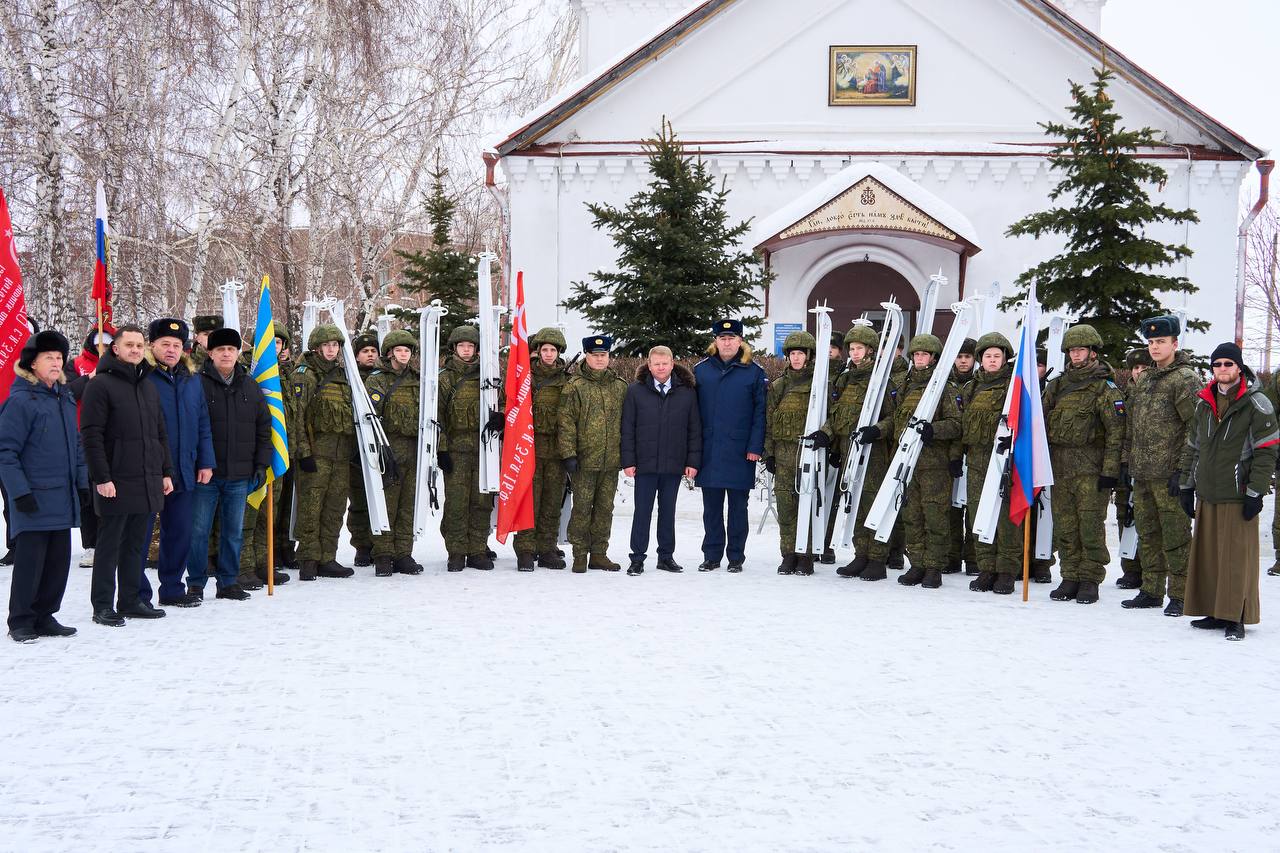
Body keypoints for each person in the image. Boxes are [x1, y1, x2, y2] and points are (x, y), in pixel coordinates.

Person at [1179, 342, 1278, 641]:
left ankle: (1236, 616)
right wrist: (1186, 485)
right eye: (1217, 364)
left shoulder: (1256, 404)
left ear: (1238, 367)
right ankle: (1214, 610)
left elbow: (1266, 452)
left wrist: (1256, 492)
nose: (1222, 369)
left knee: (1236, 559)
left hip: (1238, 493)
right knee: (1209, 557)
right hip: (1208, 492)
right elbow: (1193, 447)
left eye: (1228, 364)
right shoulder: (1203, 403)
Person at [80, 325, 174, 626]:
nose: (135, 350)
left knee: (136, 544)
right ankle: (103, 605)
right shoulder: (100, 385)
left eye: (138, 345)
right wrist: (101, 478)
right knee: (109, 546)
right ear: (114, 349)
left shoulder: (147, 384)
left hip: (146, 477)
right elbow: (91, 436)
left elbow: (160, 432)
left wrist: (165, 471)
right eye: (128, 345)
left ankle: (131, 600)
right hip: (115, 480)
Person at [1, 331, 88, 642]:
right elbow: (5, 451)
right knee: (30, 563)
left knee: (57, 562)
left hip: (62, 496)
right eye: (48, 357)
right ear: (32, 363)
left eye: (59, 357)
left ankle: (45, 615)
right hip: (33, 498)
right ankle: (21, 620)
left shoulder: (63, 398)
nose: (56, 362)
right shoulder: (20, 401)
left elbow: (76, 445)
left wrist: (82, 484)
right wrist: (19, 493)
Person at [857, 334, 960, 588]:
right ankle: (917, 564)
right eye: (916, 355)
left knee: (934, 515)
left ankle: (934, 567)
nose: (920, 358)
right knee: (912, 517)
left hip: (934, 465)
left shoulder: (944, 387)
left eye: (924, 355)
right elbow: (894, 419)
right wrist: (877, 430)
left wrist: (934, 430)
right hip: (905, 462)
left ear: (933, 357)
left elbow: (958, 424)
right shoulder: (904, 384)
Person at [1122, 315, 1201, 616]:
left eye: (1161, 342)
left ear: (1174, 344)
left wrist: (1183, 472)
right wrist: (1126, 462)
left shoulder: (1185, 380)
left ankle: (1181, 594)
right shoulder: (1146, 381)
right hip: (1142, 473)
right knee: (1148, 533)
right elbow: (1134, 426)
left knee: (1177, 537)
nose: (1155, 347)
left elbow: (1195, 430)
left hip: (1169, 474)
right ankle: (1151, 589)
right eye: (1151, 342)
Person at [1041, 324, 1125, 605]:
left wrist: (1110, 472)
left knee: (1089, 525)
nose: (1076, 355)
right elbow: (1039, 423)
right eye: (1072, 350)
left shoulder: (1105, 387)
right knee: (1065, 526)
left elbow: (1116, 432)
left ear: (1092, 352)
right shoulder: (1058, 385)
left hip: (1091, 470)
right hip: (1060, 468)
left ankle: (1090, 578)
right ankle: (1070, 575)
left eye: (1081, 350)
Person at [187, 327, 271, 600]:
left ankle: (227, 582)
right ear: (209, 353)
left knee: (233, 532)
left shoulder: (250, 386)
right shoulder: (196, 383)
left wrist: (261, 464)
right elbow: (190, 429)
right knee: (198, 532)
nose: (226, 354)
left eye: (231, 349)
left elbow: (263, 428)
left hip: (239, 474)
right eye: (220, 349)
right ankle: (196, 582)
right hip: (206, 474)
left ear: (237, 353)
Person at [809, 323, 896, 580]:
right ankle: (861, 555)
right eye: (852, 349)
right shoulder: (846, 379)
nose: (855, 353)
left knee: (870, 501)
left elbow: (894, 417)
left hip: (873, 452)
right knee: (853, 503)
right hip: (849, 450)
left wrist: (876, 430)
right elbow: (836, 415)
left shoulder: (881, 380)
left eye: (860, 349)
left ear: (870, 350)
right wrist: (826, 434)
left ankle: (877, 559)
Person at [140, 319, 214, 608]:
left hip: (185, 468)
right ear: (152, 345)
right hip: (149, 470)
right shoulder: (142, 377)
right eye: (165, 344)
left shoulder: (191, 379)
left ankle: (172, 588)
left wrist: (205, 462)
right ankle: (137, 593)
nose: (171, 350)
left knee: (180, 531)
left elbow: (203, 423)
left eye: (176, 345)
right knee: (142, 535)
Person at [692, 319, 766, 573]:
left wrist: (755, 446)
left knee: (738, 508)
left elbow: (760, 413)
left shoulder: (754, 372)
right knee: (711, 508)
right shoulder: (701, 371)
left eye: (732, 338)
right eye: (722, 338)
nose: (726, 342)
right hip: (709, 450)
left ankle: (736, 556)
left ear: (740, 341)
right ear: (715, 341)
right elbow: (691, 414)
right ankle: (711, 555)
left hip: (740, 451)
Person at [621, 345, 702, 575]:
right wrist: (628, 460)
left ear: (672, 364)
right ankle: (637, 558)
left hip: (673, 463)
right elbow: (628, 428)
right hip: (644, 465)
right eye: (656, 364)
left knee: (668, 511)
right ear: (649, 365)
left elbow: (694, 429)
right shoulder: (635, 391)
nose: (661, 367)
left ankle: (666, 556)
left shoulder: (686, 392)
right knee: (642, 511)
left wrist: (692, 461)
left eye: (664, 363)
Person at [287, 324, 357, 581]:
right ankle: (308, 559)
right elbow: (297, 417)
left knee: (334, 508)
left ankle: (328, 557)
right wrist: (303, 453)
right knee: (311, 508)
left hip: (341, 455)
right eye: (327, 345)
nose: (331, 349)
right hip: (315, 454)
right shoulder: (304, 375)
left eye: (335, 345)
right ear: (316, 347)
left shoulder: (343, 375)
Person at [956, 333, 1021, 594]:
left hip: (1005, 460)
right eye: (987, 356)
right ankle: (986, 567)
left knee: (1005, 516)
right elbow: (961, 424)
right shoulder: (970, 388)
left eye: (997, 356)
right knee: (978, 514)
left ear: (1005, 358)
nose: (992, 360)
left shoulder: (1014, 388)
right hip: (976, 459)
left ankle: (1006, 571)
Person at [558, 335, 627, 573]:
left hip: (611, 461)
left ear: (609, 357)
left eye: (603, 355)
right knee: (582, 508)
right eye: (595, 355)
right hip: (584, 461)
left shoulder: (619, 386)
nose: (599, 359)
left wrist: (627, 455)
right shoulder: (575, 386)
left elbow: (627, 424)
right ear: (586, 356)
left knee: (604, 509)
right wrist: (569, 454)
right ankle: (579, 554)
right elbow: (565, 422)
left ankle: (599, 553)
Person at [437, 325, 503, 571]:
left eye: (471, 346)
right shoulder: (445, 377)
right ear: (454, 348)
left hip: (485, 449)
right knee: (456, 502)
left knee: (482, 501)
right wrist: (441, 449)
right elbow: (437, 416)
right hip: (456, 449)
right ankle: (456, 551)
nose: (466, 350)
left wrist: (502, 416)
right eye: (462, 346)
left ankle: (477, 550)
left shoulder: (489, 376)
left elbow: (505, 401)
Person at [766, 330, 826, 576]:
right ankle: (788, 554)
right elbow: (768, 421)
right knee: (786, 504)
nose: (797, 358)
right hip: (783, 455)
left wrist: (825, 435)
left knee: (807, 504)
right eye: (793, 353)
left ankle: (806, 555)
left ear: (809, 356)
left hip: (808, 454)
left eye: (801, 353)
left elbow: (827, 417)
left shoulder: (819, 385)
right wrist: (768, 453)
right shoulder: (778, 386)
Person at [365, 330, 424, 577]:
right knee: (386, 504)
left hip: (413, 449)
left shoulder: (419, 379)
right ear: (390, 353)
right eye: (399, 350)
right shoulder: (377, 380)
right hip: (387, 450)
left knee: (408, 505)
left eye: (407, 351)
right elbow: (369, 414)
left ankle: (403, 553)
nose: (403, 354)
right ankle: (383, 555)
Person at [239, 321, 293, 586]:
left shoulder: (283, 375)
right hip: (251, 453)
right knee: (248, 515)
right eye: (271, 342)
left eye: (280, 343)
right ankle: (243, 567)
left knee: (267, 515)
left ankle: (264, 564)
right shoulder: (247, 373)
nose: (276, 347)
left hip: (275, 451)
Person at [513, 327, 571, 571]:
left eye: (553, 350)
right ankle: (526, 549)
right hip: (530, 448)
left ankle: (547, 548)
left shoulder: (568, 380)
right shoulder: (525, 377)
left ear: (558, 353)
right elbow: (512, 406)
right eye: (544, 349)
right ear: (537, 351)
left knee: (551, 503)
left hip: (557, 450)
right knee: (529, 502)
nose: (548, 354)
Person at [67, 325, 113, 568]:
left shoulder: (121, 364)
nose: (101, 348)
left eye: (106, 343)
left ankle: (111, 542)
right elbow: (67, 393)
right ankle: (91, 545)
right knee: (89, 491)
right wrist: (91, 377)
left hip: (114, 436)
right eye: (97, 344)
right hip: (84, 436)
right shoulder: (75, 365)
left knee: (112, 492)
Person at [1114, 347, 1154, 590]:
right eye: (1136, 368)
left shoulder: (1156, 393)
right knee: (1124, 515)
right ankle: (1130, 568)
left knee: (1147, 519)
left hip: (1151, 465)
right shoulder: (1123, 395)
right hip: (1126, 464)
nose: (1139, 372)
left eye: (1144, 368)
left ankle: (1151, 570)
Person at [347, 331, 381, 567]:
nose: (369, 355)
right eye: (365, 352)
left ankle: (380, 543)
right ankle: (362, 546)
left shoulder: (383, 377)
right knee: (359, 499)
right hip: (354, 448)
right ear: (356, 355)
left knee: (380, 498)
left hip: (380, 447)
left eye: (373, 351)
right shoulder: (348, 377)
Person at [947, 337, 977, 575]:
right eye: (960, 357)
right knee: (952, 507)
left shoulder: (979, 383)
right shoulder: (946, 383)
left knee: (973, 507)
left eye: (967, 357)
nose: (963, 361)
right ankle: (952, 555)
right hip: (949, 451)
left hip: (974, 449)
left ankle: (974, 557)